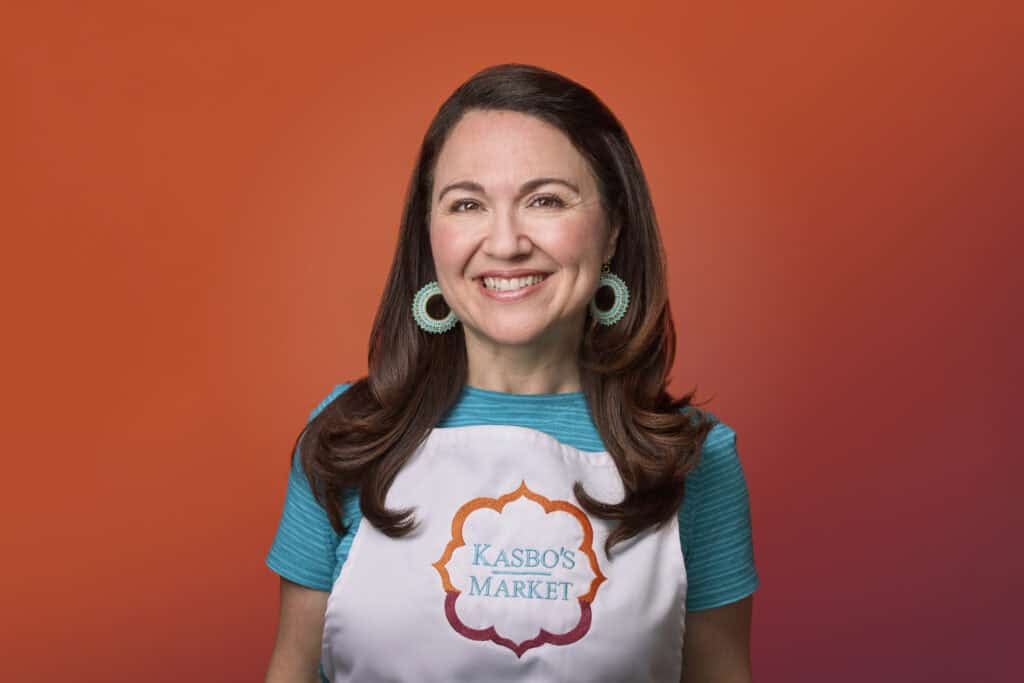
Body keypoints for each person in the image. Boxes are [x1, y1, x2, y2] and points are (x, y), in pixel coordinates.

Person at [264, 63, 758, 683]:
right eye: (467, 204)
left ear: (613, 231)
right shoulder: (346, 438)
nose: (505, 243)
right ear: (430, 233)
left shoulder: (694, 459)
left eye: (545, 200)